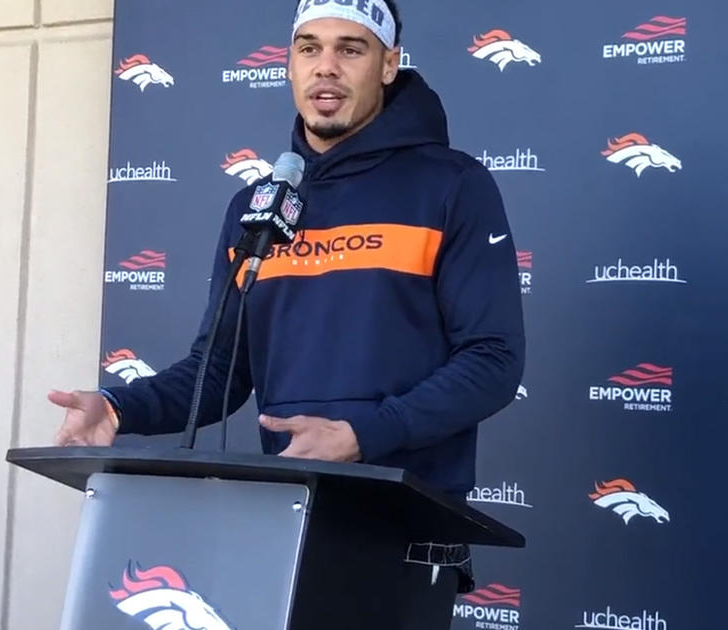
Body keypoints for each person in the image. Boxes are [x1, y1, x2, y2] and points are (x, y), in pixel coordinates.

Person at [49, 0, 525, 620]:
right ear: (290, 66)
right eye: (309, 49)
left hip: (400, 533)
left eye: (350, 49)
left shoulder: (453, 185)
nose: (326, 67)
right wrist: (119, 406)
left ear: (388, 65)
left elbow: (493, 360)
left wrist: (363, 435)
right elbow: (218, 370)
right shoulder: (259, 203)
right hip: (279, 524)